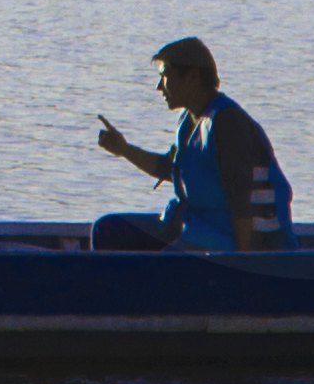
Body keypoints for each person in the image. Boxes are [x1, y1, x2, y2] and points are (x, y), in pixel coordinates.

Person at [88, 36, 290, 251]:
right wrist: (124, 150)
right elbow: (171, 168)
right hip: (195, 226)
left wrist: (242, 265)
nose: (159, 87)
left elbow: (242, 199)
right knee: (106, 230)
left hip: (227, 239)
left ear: (193, 76)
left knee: (158, 266)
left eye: (165, 76)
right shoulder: (189, 120)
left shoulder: (227, 122)